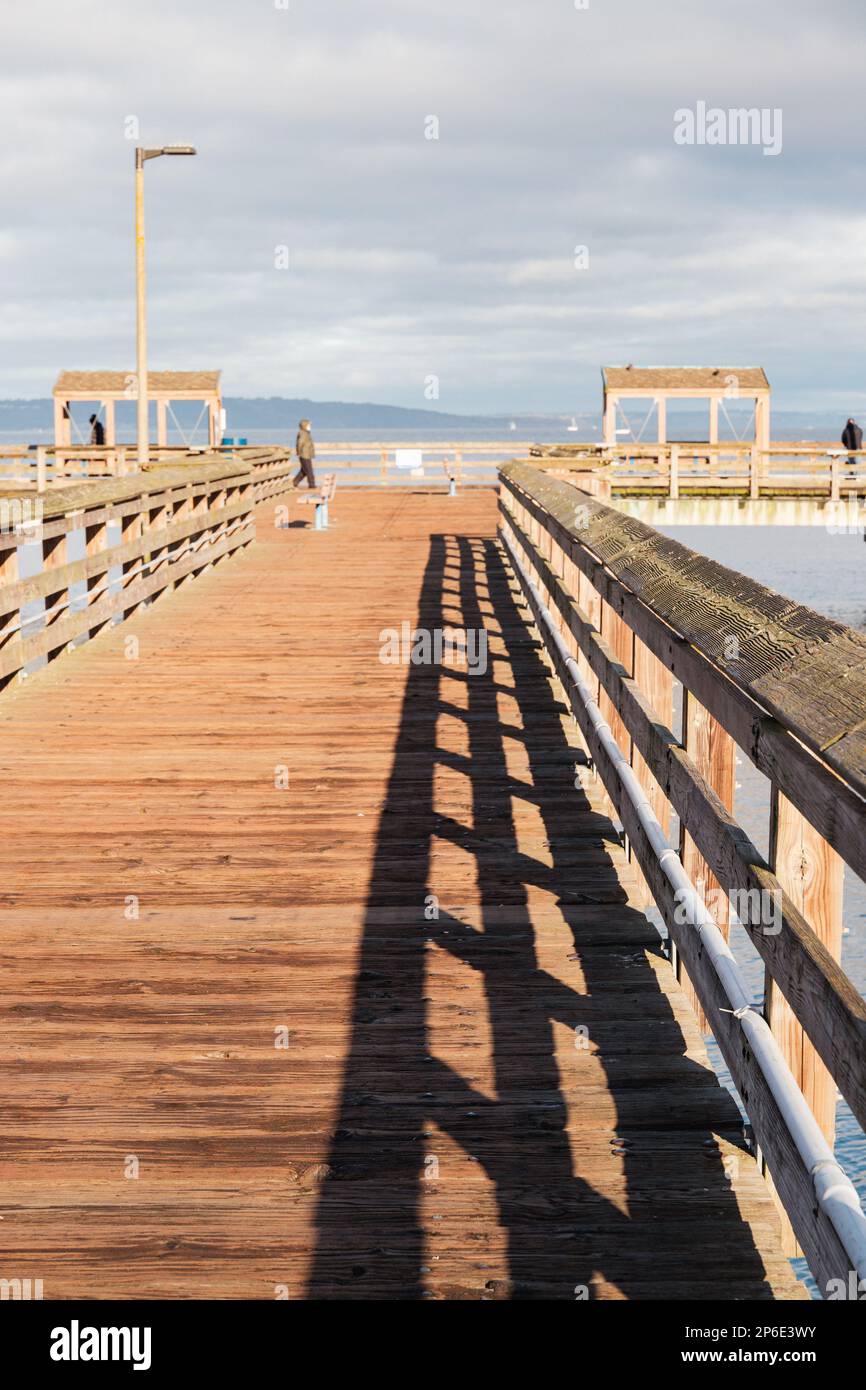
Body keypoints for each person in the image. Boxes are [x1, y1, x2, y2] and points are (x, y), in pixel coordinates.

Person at [293, 418, 317, 488]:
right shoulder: (303, 433)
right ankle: (312, 485)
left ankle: (294, 482)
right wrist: (299, 452)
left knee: (304, 471)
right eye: (308, 425)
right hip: (304, 455)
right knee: (309, 470)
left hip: (306, 454)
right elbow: (300, 443)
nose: (310, 426)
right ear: (304, 426)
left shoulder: (306, 433)